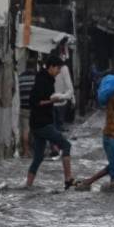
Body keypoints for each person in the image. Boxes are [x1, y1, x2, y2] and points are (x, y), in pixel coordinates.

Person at [26, 54, 76, 189]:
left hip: (39, 123)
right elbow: (34, 102)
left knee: (38, 157)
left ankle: (27, 186)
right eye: (58, 69)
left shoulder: (46, 79)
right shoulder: (42, 81)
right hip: (42, 123)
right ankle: (68, 179)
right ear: (52, 67)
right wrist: (53, 101)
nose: (59, 72)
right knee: (66, 145)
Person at [77, 76, 114, 192]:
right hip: (110, 137)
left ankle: (89, 182)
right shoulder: (113, 98)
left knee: (113, 166)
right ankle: (109, 187)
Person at [48, 39, 75, 160]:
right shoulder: (49, 68)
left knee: (56, 126)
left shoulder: (63, 69)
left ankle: (56, 147)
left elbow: (70, 89)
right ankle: (54, 147)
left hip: (59, 103)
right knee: (52, 126)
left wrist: (62, 97)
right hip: (51, 103)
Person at [18, 59, 37, 157]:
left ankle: (26, 151)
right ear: (34, 66)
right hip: (35, 108)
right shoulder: (37, 77)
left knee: (25, 130)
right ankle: (37, 151)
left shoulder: (20, 77)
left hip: (23, 107)